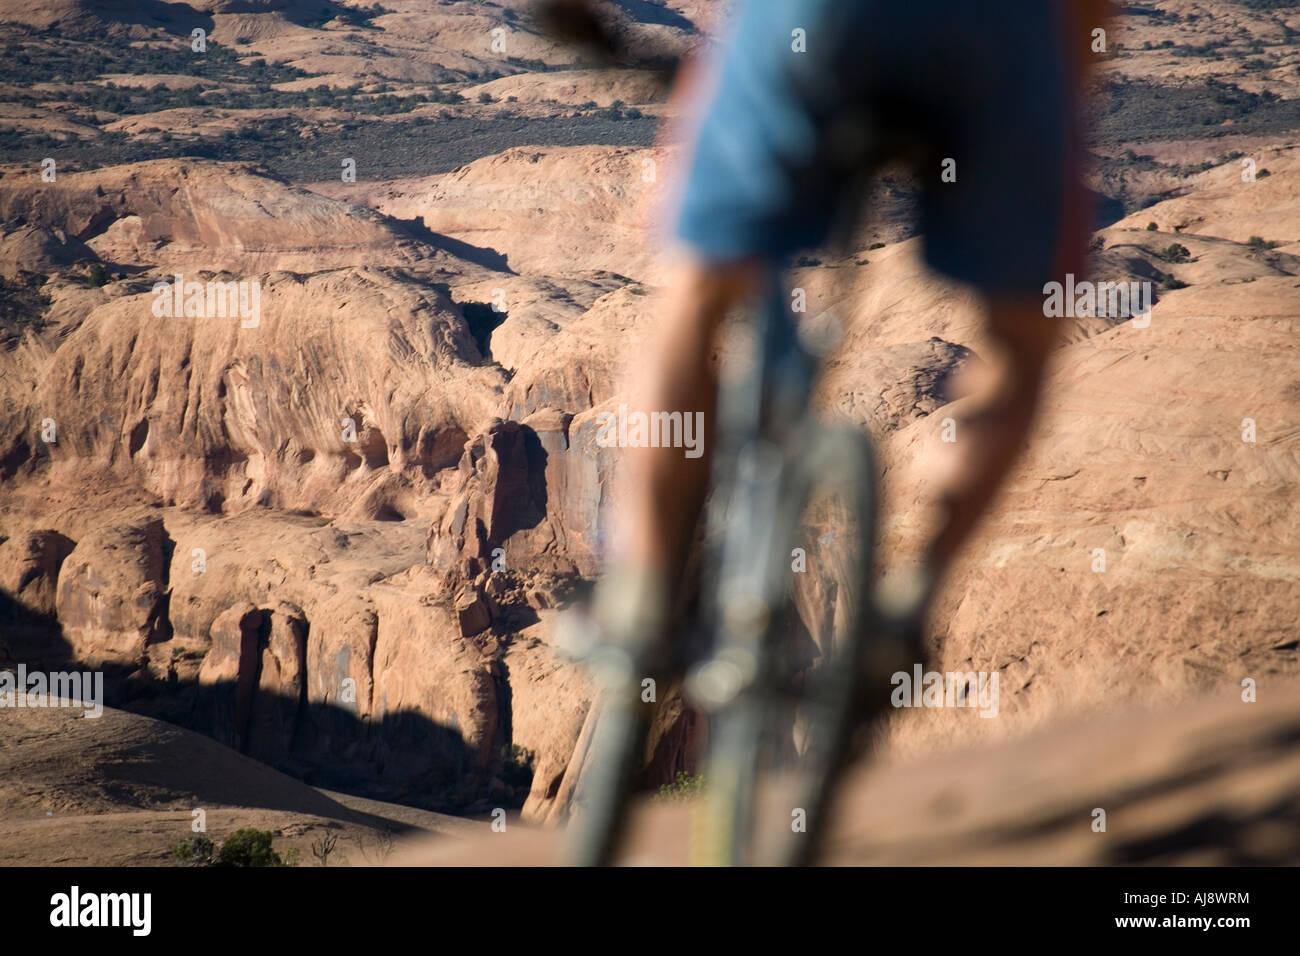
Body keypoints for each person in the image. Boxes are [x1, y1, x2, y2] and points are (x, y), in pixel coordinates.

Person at [555, 0, 1113, 862]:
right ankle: (907, 603)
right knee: (1026, 338)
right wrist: (1039, 114)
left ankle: (640, 602)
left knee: (696, 288)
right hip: (999, 42)